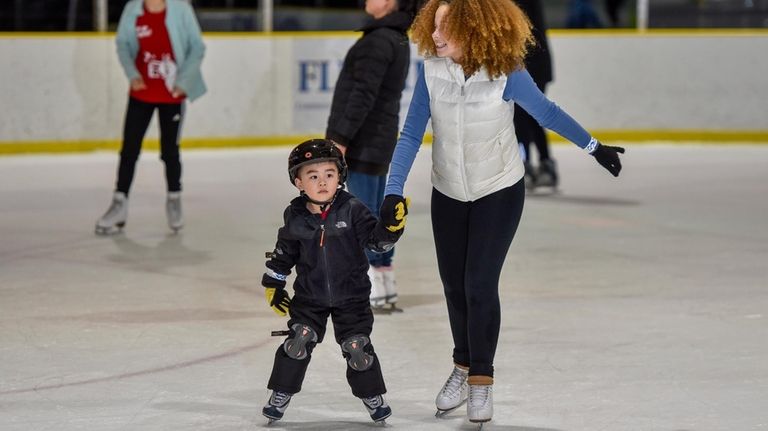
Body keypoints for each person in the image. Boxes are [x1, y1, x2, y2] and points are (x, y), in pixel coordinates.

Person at [378, 0, 625, 424]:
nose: (434, 37)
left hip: (498, 189)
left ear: (473, 29)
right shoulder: (431, 71)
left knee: (478, 283)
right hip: (448, 190)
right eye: (433, 27)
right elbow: (410, 134)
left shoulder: (505, 72)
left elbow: (546, 113)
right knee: (454, 286)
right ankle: (461, 365)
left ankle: (481, 381)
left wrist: (593, 147)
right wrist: (392, 192)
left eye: (445, 30)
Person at [260, 139, 407, 424]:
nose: (323, 181)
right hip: (309, 297)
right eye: (313, 176)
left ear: (340, 176)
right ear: (298, 182)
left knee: (357, 348)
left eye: (329, 174)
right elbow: (283, 253)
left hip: (352, 297)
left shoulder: (352, 209)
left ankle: (372, 396)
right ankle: (281, 392)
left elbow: (375, 243)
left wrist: (390, 229)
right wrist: (274, 284)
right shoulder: (295, 215)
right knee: (298, 341)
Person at [325, 0, 417, 311]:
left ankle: (371, 283)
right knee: (377, 212)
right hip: (379, 139)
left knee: (363, 215)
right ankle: (384, 278)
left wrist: (339, 138)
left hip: (364, 141)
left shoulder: (379, 40)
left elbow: (361, 93)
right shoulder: (395, 36)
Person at [95, 0, 206, 235]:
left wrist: (183, 82)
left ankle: (174, 200)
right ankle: (119, 204)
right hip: (141, 92)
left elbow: (197, 47)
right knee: (129, 150)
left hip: (172, 94)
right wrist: (133, 74)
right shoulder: (133, 9)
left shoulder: (180, 9)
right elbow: (123, 44)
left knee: (170, 151)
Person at [513, 0, 558, 190]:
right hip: (532, 63)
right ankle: (540, 163)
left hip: (532, 64)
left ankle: (530, 164)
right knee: (528, 117)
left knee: (525, 116)